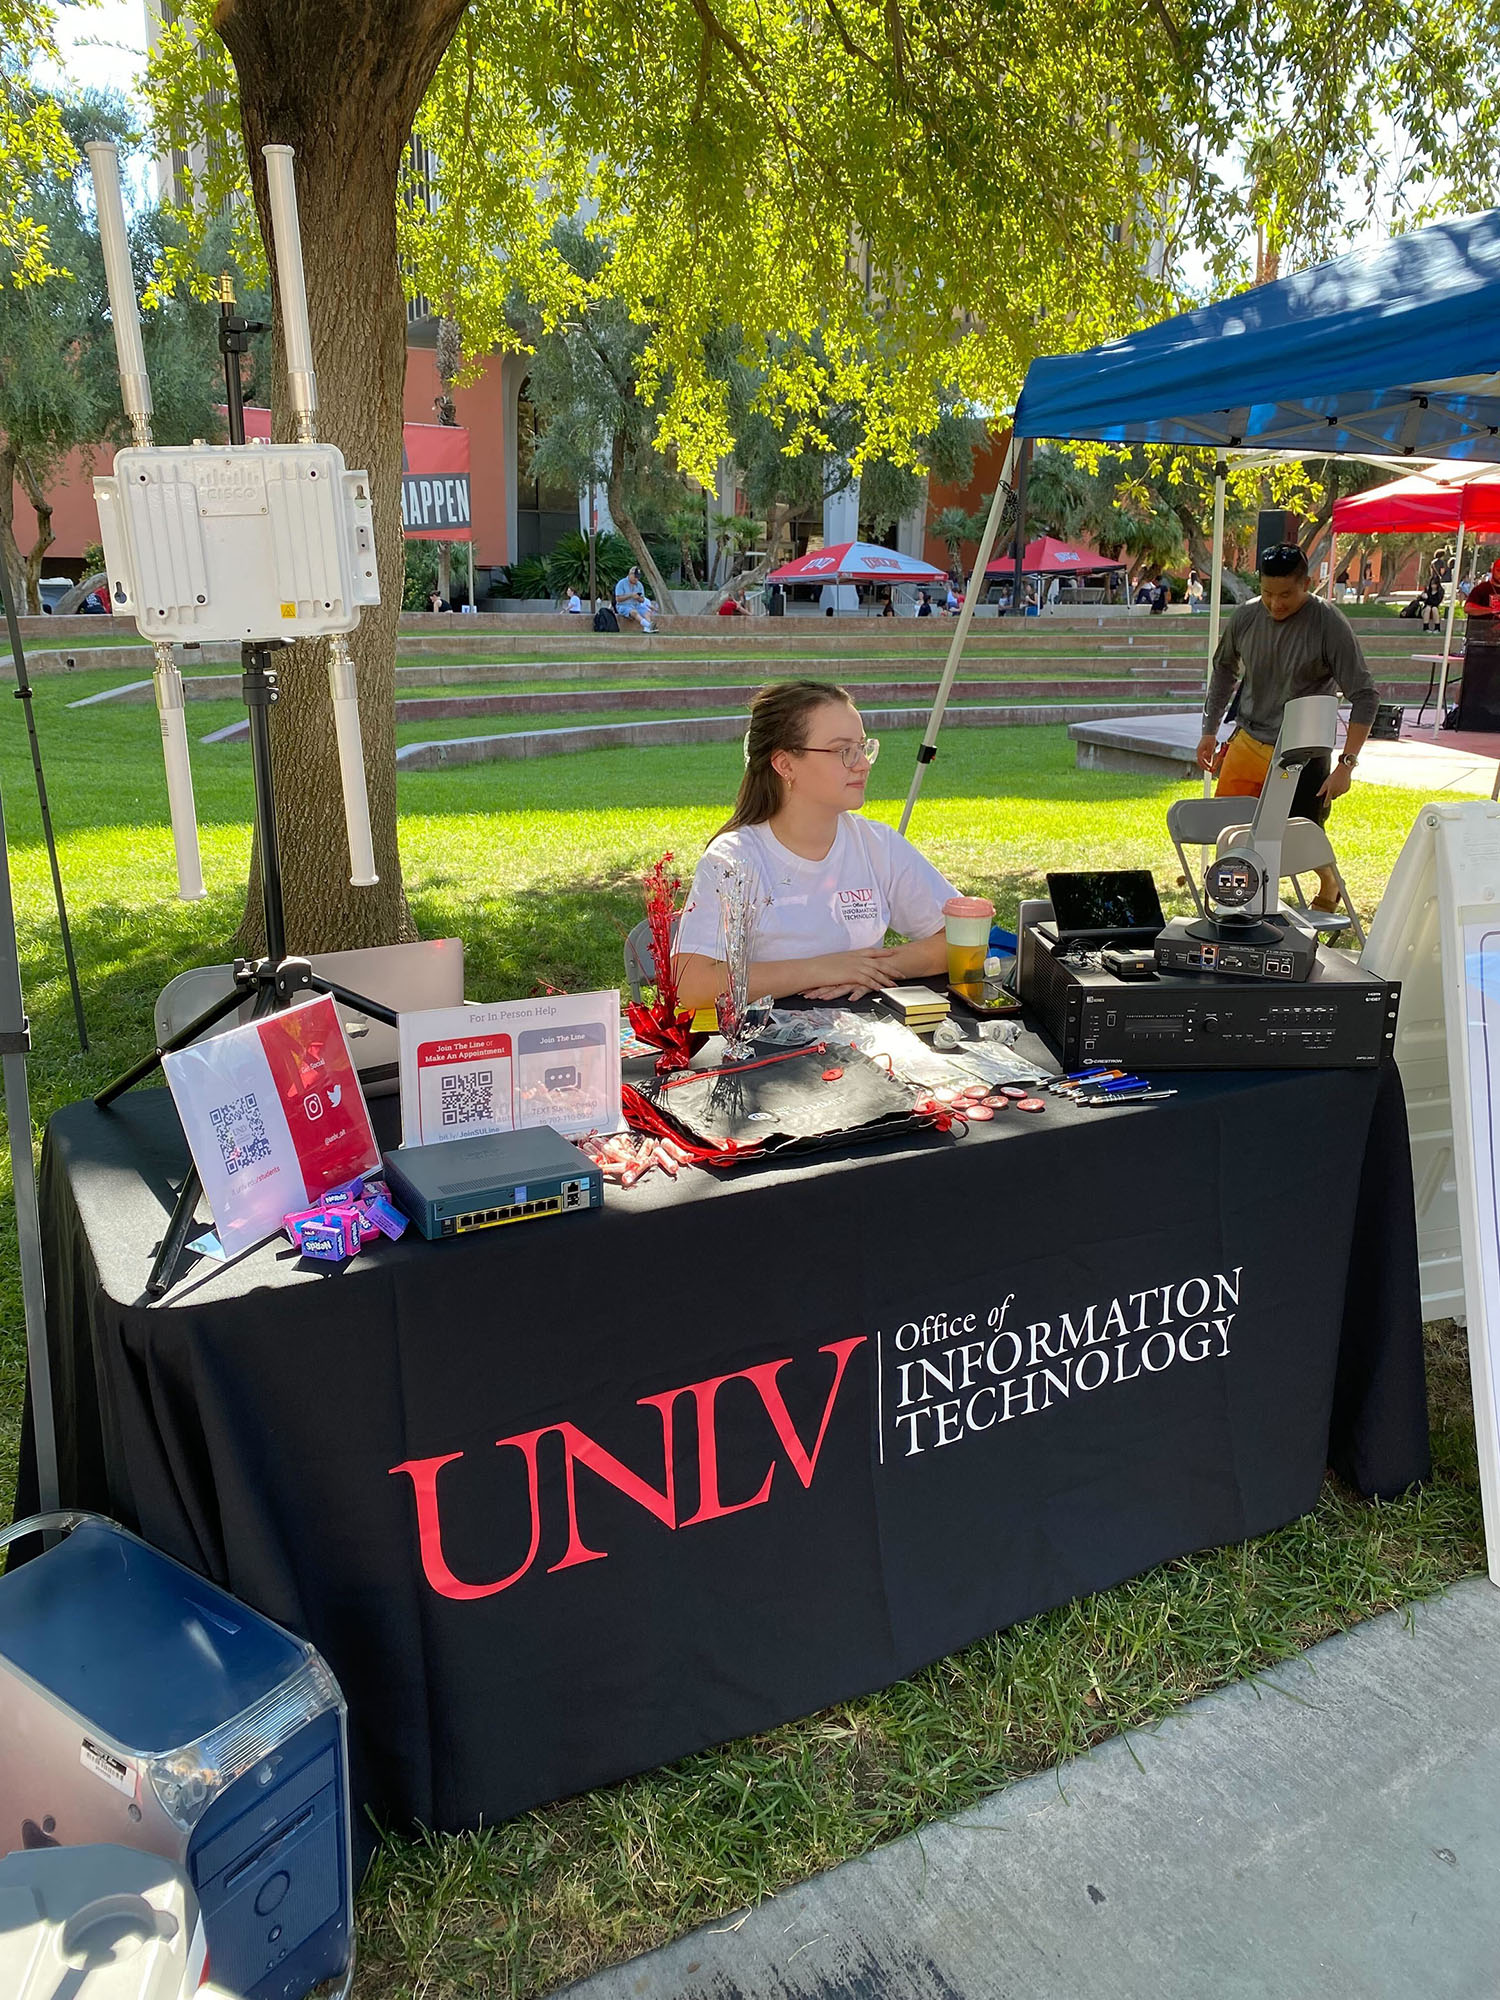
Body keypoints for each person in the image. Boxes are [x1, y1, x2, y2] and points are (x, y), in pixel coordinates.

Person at [674, 680, 958, 1008]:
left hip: (864, 1044)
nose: (863, 764)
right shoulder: (734, 860)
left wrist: (868, 968)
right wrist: (821, 969)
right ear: (785, 765)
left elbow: (962, 939)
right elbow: (692, 984)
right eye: (843, 751)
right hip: (768, 1048)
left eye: (863, 747)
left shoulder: (877, 844)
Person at [1197, 543, 1379, 912]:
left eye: (1286, 595)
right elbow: (1224, 671)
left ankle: (1330, 885)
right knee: (1230, 834)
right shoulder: (1246, 618)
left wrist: (1347, 765)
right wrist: (1209, 729)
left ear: (1307, 584)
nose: (1275, 604)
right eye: (1266, 593)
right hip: (1249, 739)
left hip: (1302, 751)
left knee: (1301, 836)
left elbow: (1365, 696)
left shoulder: (1329, 623)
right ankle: (1234, 905)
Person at [614, 565, 654, 632]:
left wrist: (638, 598)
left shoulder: (639, 585)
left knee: (647, 612)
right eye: (635, 577)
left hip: (636, 605)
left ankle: (648, 629)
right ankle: (648, 625)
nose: (636, 579)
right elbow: (618, 599)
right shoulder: (621, 583)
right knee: (634, 612)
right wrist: (630, 596)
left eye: (637, 578)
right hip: (623, 606)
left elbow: (642, 600)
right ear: (630, 575)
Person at [1423, 561, 1445, 634]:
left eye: (1435, 585)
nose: (1433, 586)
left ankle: (1437, 628)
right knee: (1428, 608)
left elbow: (1436, 602)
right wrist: (1423, 597)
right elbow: (1423, 601)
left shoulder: (1440, 592)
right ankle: (1425, 627)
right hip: (1426, 609)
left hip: (1435, 609)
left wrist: (1428, 599)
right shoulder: (1428, 590)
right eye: (1432, 584)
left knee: (1434, 608)